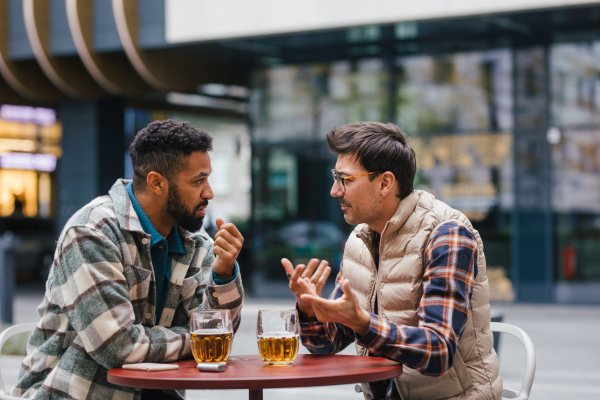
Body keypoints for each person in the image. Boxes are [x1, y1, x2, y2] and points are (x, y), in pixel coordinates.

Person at [12, 120, 244, 400]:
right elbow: (118, 347)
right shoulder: (91, 233)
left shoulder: (197, 243)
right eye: (198, 181)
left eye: (207, 179)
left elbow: (220, 337)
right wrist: (197, 339)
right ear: (157, 182)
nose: (209, 192)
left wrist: (224, 274)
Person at [282, 122, 502, 400]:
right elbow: (326, 344)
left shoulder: (447, 234)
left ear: (385, 183)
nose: (334, 191)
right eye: (335, 177)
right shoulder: (361, 239)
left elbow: (438, 352)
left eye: (345, 179)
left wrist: (363, 323)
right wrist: (311, 310)